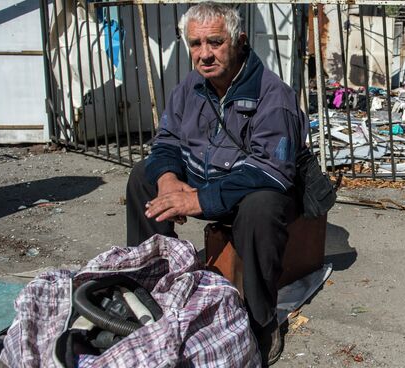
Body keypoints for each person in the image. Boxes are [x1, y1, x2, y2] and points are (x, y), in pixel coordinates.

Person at [125, 1, 307, 365]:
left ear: (239, 42)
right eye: (195, 44)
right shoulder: (191, 86)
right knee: (141, 177)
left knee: (262, 204)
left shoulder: (274, 96)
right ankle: (150, 288)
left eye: (215, 42)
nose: (204, 55)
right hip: (205, 179)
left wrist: (199, 200)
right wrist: (167, 181)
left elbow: (271, 171)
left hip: (254, 188)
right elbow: (166, 141)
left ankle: (261, 320)